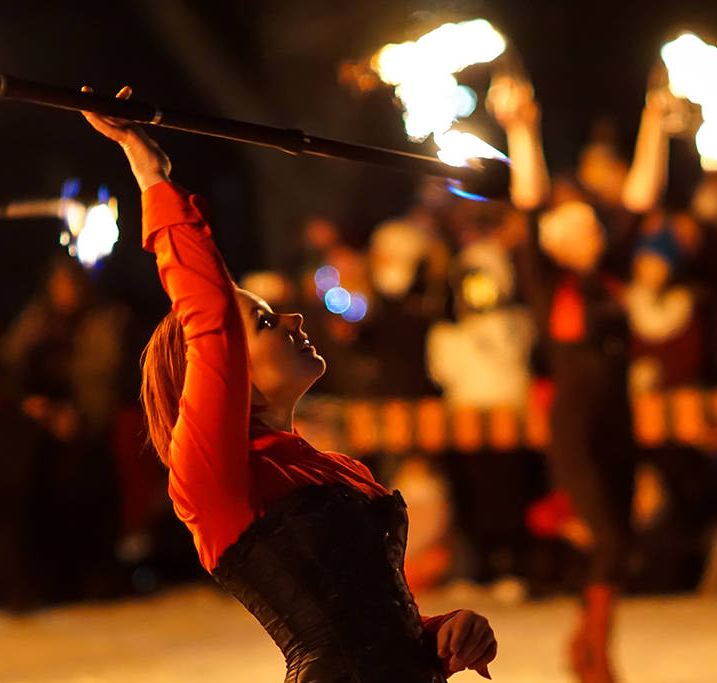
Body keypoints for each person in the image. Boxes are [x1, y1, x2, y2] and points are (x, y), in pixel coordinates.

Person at [79, 86, 496, 683]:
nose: (295, 319)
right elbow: (213, 316)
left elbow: (373, 630)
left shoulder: (328, 467)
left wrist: (445, 631)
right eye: (267, 322)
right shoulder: (216, 480)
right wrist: (150, 169)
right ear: (225, 367)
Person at [489, 61, 678, 683]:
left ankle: (586, 644)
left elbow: (641, 198)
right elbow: (530, 197)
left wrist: (654, 120)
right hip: (572, 418)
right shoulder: (545, 278)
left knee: (620, 537)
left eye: (592, 223)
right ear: (552, 242)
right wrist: (523, 127)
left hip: (618, 415)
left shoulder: (610, 270)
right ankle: (596, 657)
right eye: (573, 225)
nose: (589, 226)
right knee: (607, 539)